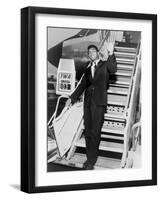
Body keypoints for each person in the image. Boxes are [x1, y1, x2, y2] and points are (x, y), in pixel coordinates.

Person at [66, 44, 117, 170]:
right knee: (88, 132)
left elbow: (113, 69)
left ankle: (91, 160)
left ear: (98, 52)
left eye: (93, 51)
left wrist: (110, 54)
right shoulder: (87, 69)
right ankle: (89, 157)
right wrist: (71, 98)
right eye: (89, 52)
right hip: (87, 104)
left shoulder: (105, 65)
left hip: (99, 103)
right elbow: (83, 85)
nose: (91, 53)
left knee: (95, 132)